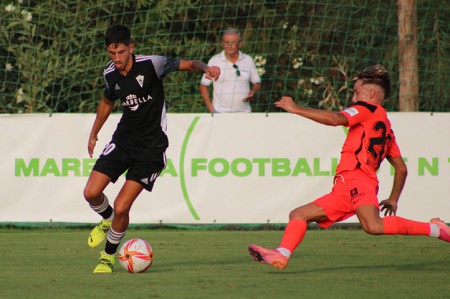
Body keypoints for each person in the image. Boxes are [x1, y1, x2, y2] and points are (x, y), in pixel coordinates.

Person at [248, 64, 450, 269]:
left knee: (373, 226)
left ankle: (435, 229)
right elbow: (401, 169)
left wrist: (295, 108)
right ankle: (282, 254)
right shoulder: (385, 127)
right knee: (298, 214)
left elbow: (337, 119)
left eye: (356, 92)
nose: (353, 98)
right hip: (345, 187)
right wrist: (393, 199)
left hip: (358, 179)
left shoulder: (366, 108)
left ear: (371, 93)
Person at [83, 24, 220, 274]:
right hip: (123, 139)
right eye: (112, 53)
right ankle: (107, 218)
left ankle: (107, 257)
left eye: (121, 52)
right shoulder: (110, 73)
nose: (117, 59)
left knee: (123, 206)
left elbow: (189, 64)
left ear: (131, 48)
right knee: (91, 193)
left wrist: (206, 68)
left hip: (152, 148)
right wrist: (94, 133)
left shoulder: (152, 64)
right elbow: (106, 101)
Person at [199, 28, 261, 113]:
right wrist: (211, 109)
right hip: (220, 113)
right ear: (222, 44)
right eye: (226, 42)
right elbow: (203, 85)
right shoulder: (215, 60)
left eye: (233, 43)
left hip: (244, 113)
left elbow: (256, 82)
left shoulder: (248, 60)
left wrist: (253, 92)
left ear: (240, 44)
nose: (229, 46)